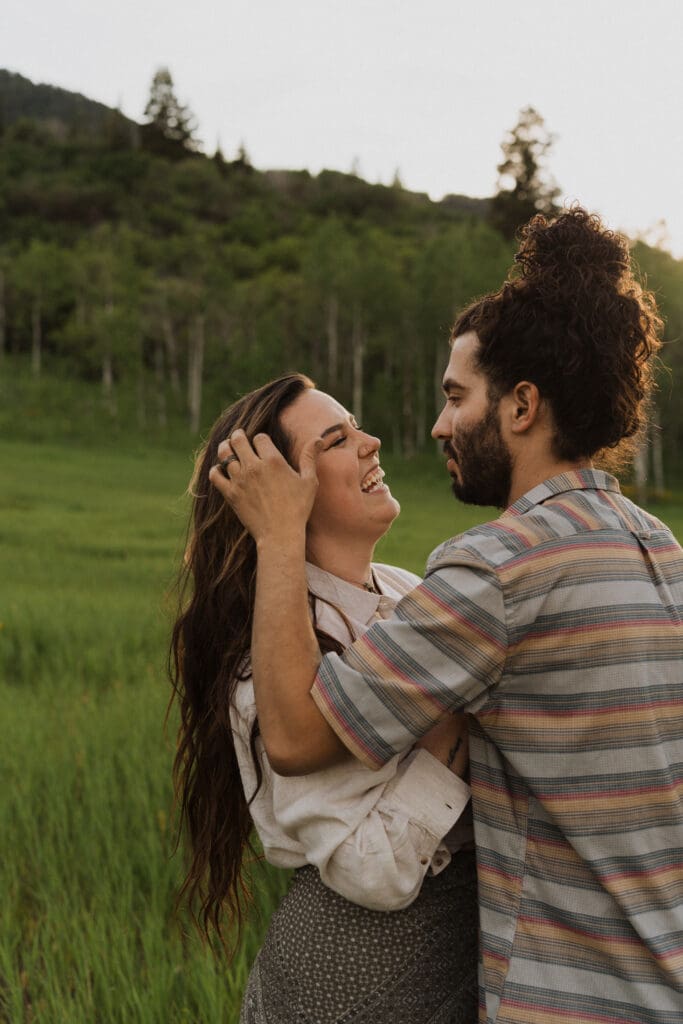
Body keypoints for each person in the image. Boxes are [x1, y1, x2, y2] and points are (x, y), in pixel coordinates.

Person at [210, 208, 683, 1023]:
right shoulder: (659, 547)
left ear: (521, 406)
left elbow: (295, 738)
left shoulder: (495, 570)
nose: (431, 427)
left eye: (455, 397)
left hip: (565, 1000)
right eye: (337, 438)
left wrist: (279, 536)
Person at [171, 373, 480, 1024]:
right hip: (345, 986)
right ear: (280, 496)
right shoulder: (267, 672)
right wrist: (448, 723)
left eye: (357, 425)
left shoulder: (405, 592)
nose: (370, 443)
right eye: (336, 439)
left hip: (441, 968)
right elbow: (374, 871)